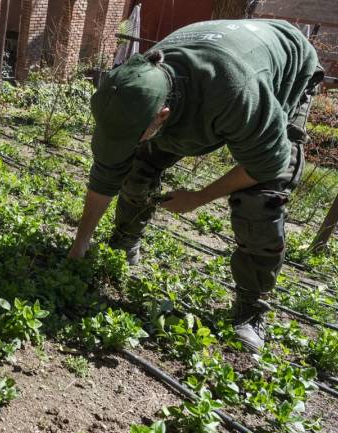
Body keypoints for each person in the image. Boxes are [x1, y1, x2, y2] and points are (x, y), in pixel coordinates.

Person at [67, 19, 324, 351]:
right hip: (223, 50)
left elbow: (266, 164)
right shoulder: (136, 85)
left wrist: (200, 197)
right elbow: (106, 171)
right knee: (137, 164)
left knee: (260, 201)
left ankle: (251, 309)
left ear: (162, 116)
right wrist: (80, 243)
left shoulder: (234, 92)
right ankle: (124, 242)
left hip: (285, 67)